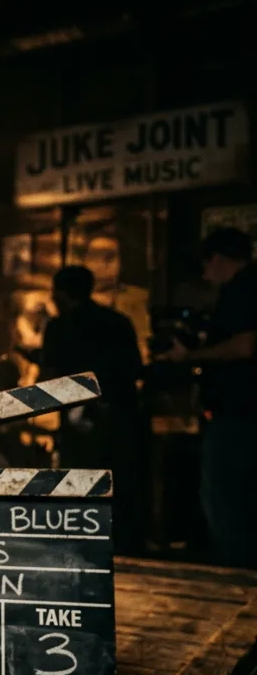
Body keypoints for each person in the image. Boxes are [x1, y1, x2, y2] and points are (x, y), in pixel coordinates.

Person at [155, 227, 257, 569]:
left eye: (205, 264)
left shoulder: (242, 289)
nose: (205, 274)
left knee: (225, 502)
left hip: (237, 414)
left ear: (217, 259)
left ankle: (240, 579)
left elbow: (244, 345)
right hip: (242, 414)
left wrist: (192, 356)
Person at [38, 265, 146, 553]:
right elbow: (134, 369)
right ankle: (125, 544)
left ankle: (84, 544)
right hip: (122, 418)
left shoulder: (59, 327)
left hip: (79, 422)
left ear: (61, 293)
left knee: (80, 484)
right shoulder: (119, 322)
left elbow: (51, 376)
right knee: (120, 484)